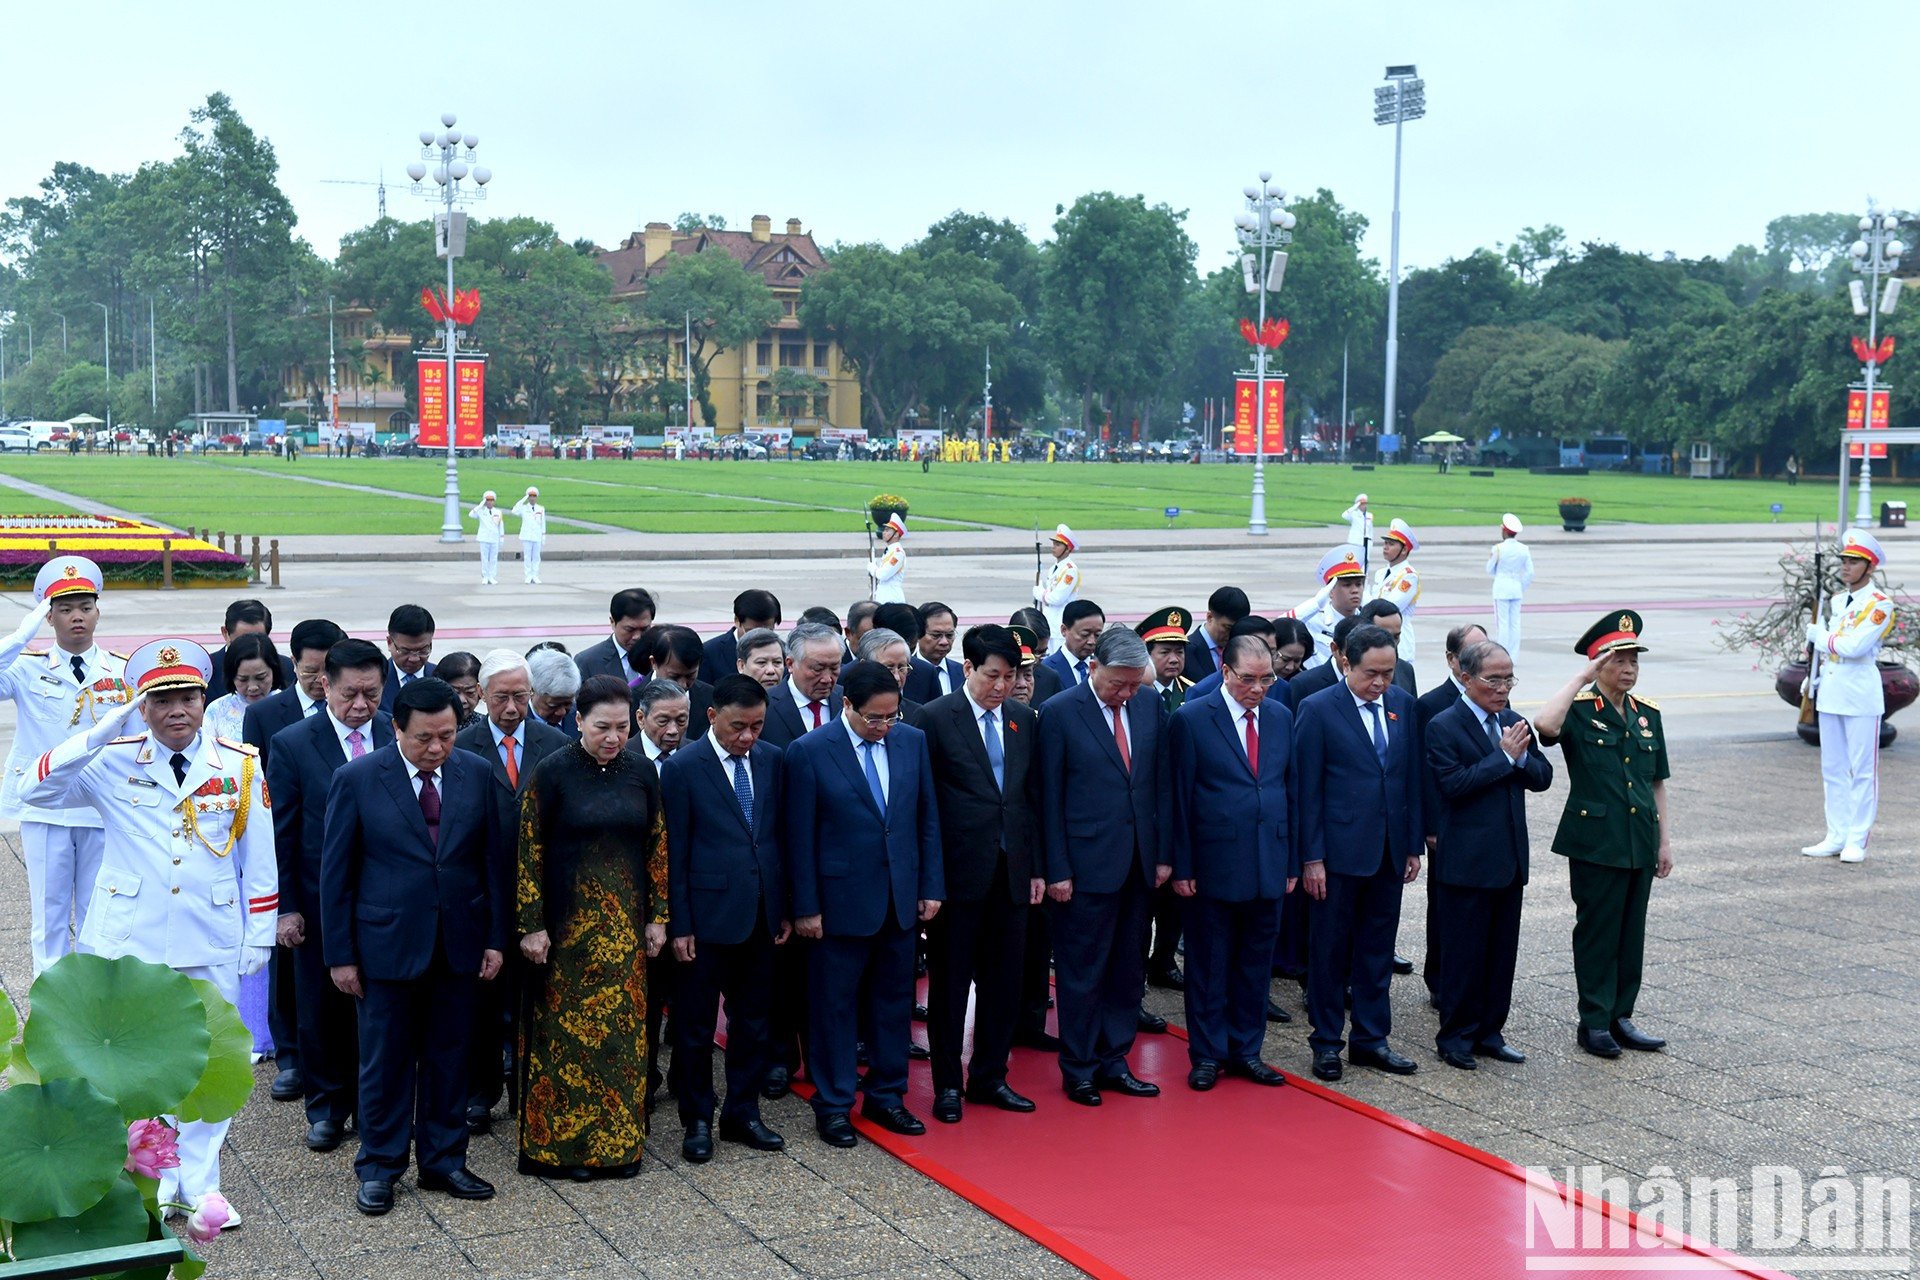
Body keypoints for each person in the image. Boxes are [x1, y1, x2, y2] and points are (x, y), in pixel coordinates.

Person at [25, 638, 275, 1227]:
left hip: (210, 932)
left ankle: (203, 1186)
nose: (176, 711)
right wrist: (97, 733)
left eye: (187, 697)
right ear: (142, 706)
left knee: (210, 1061)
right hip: (129, 938)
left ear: (205, 699)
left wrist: (260, 932)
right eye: (161, 700)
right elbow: (35, 789)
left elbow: (260, 855)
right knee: (135, 1063)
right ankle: (153, 1177)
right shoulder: (111, 759)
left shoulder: (239, 763)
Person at [321, 677, 506, 1214]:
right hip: (385, 943)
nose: (436, 748)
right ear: (396, 728)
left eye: (447, 736)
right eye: (424, 737)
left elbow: (492, 861)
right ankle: (379, 1166)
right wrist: (340, 956)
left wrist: (495, 939)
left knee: (451, 1056)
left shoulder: (476, 771)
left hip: (458, 940)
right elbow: (336, 875)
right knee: (385, 1062)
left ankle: (444, 1160)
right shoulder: (357, 778)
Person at [514, 676, 667, 1180]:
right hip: (564, 935)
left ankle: (619, 1148)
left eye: (622, 727)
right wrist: (531, 924)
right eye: (602, 726)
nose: (613, 737)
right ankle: (559, 1152)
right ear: (578, 721)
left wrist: (658, 917)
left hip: (624, 935)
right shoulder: (553, 771)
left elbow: (657, 845)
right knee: (564, 1045)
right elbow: (529, 849)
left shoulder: (641, 771)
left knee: (621, 1042)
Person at [785, 661, 944, 1146]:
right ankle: (834, 1104)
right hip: (839, 903)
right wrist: (806, 906)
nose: (884, 726)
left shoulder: (911, 741)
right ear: (847, 704)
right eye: (874, 717)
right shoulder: (810, 751)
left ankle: (886, 1096)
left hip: (899, 898)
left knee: (893, 1003)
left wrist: (930, 886)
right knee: (834, 1008)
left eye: (892, 716)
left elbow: (925, 820)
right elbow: (799, 837)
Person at [269, 638, 394, 1153]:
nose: (361, 706)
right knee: (320, 1007)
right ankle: (326, 1108)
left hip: (385, 898)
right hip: (319, 897)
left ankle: (373, 1107)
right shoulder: (294, 743)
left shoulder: (395, 732)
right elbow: (281, 833)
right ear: (325, 686)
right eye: (349, 694)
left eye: (371, 694)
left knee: (379, 1006)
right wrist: (286, 907)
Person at [1038, 626, 1169, 1106]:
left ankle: (1115, 1060)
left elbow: (1159, 784)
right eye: (1119, 683)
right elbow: (1048, 798)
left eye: (1135, 684)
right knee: (1082, 972)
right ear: (1093, 667)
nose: (1127, 693)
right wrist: (1056, 869)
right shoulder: (1059, 712)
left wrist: (1164, 855)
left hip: (1139, 861)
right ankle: (1079, 1068)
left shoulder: (1149, 703)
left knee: (1128, 969)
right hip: (1084, 865)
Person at [1534, 611, 1672, 1059]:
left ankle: (1620, 1016)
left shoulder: (1647, 715)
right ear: (1598, 664)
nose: (1629, 669)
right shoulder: (1578, 710)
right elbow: (1545, 726)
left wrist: (1664, 841)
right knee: (1598, 931)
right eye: (1619, 661)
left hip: (1639, 839)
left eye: (1634, 661)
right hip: (1596, 841)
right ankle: (1593, 1020)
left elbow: (1656, 783)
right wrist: (1582, 678)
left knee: (1631, 933)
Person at [663, 675, 790, 1162]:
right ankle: (697, 1118)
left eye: (757, 726)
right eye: (739, 727)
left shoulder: (773, 760)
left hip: (760, 914)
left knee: (753, 1023)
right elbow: (675, 852)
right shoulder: (683, 767)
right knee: (695, 1027)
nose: (748, 737)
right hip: (705, 919)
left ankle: (742, 1112)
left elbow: (778, 837)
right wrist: (680, 925)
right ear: (712, 716)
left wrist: (783, 906)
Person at [919, 625, 1043, 1123]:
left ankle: (990, 1076)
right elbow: (925, 805)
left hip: (1011, 872)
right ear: (967, 668)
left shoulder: (1023, 719)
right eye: (992, 675)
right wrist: (929, 880)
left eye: (1010, 677)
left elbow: (1029, 799)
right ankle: (948, 1084)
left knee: (1004, 982)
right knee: (950, 987)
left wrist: (1036, 868)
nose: (1002, 686)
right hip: (957, 874)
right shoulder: (933, 718)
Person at [1293, 623, 1425, 1082]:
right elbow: (1306, 790)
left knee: (1377, 950)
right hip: (1337, 855)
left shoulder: (1402, 705)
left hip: (1388, 851)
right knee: (1329, 953)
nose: (1381, 682)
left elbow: (1409, 779)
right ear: (1346, 663)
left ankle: (1371, 1039)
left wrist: (1411, 844)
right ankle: (1327, 1042)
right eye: (1372, 673)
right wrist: (1311, 857)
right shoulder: (1317, 709)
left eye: (1388, 673)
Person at [1169, 635, 1297, 1091]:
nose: (1258, 688)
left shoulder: (1280, 716)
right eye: (1248, 679)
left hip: (1269, 861)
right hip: (1213, 865)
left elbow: (1290, 790)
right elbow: (1178, 799)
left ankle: (1247, 1050)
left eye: (1267, 679)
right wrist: (1182, 866)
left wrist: (1292, 860)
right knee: (1209, 964)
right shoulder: (1192, 718)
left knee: (1255, 964)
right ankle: (1207, 1053)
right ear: (1225, 672)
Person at [454, 651, 569, 1134]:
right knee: (482, 1000)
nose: (511, 708)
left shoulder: (557, 744)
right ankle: (480, 1094)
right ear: (481, 695)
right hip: (484, 891)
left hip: (543, 893)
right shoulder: (461, 745)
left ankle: (531, 1090)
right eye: (500, 697)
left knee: (538, 996)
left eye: (521, 697)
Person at [1425, 640, 1551, 1070]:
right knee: (1464, 955)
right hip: (1467, 862)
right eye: (1493, 680)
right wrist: (1503, 758)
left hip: (1509, 860)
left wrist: (1520, 760)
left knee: (1501, 955)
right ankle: (1455, 1036)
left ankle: (1490, 1032)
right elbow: (1454, 785)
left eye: (1508, 679)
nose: (1502, 689)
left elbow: (1542, 776)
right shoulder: (1444, 725)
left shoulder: (1513, 721)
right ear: (1466, 678)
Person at [0, 557, 129, 975]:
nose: (77, 617)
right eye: (66, 609)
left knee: (98, 911)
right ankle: (51, 1003)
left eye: (86, 608)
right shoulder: (25, 667)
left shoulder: (121, 670)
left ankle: (94, 999)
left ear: (98, 613)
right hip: (45, 807)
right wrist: (20, 636)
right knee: (49, 915)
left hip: (100, 806)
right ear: (48, 616)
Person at [242, 616, 345, 1102]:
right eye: (311, 673)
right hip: (295, 856)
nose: (321, 682)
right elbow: (267, 803)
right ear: (294, 665)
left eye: (329, 672)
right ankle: (290, 1056)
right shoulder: (268, 715)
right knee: (291, 970)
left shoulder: (368, 710)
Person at [1803, 530, 1895, 863]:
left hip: (1859, 694)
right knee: (1833, 768)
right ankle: (1836, 834)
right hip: (1831, 689)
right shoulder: (1838, 601)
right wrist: (1813, 675)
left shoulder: (1880, 604)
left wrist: (1821, 636)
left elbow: (1855, 647)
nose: (1845, 566)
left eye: (1854, 562)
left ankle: (1857, 840)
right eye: (1843, 560)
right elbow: (1832, 649)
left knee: (1863, 771)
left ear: (1869, 567)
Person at [1136, 607, 1194, 998]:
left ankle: (1164, 961)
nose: (1173, 659)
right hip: (1146, 814)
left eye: (1179, 651)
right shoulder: (1136, 695)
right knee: (1143, 906)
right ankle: (1137, 972)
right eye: (1164, 651)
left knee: (1176, 902)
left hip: (1181, 811)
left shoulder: (1193, 693)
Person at [762, 622, 844, 747]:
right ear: (790, 664)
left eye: (834, 668)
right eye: (818, 669)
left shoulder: (849, 701)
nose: (827, 679)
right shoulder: (765, 707)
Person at [206, 599, 293, 700]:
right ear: (225, 633)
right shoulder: (206, 670)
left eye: (257, 639)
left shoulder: (288, 668)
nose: (249, 647)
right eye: (241, 641)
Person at [1295, 546, 1366, 669]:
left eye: (1358, 584)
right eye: (1347, 585)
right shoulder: (1314, 621)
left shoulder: (1368, 621)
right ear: (1330, 591)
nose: (1355, 590)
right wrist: (1315, 604)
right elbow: (1281, 627)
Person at [1369, 519, 1422, 665]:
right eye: (1385, 543)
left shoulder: (1408, 576)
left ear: (1404, 550)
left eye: (1391, 544)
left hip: (1399, 640)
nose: (1385, 547)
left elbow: (1390, 607)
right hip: (1376, 635)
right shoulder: (1381, 573)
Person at [575, 589, 656, 684]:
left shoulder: (661, 656)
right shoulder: (587, 662)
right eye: (630, 629)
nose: (637, 637)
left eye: (644, 629)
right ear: (612, 622)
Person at [700, 590, 782, 685]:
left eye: (768, 631)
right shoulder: (709, 653)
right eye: (751, 632)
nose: (759, 637)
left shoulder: (784, 651)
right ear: (737, 621)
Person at [1487, 514, 1533, 656]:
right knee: (1515, 624)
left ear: (1505, 531)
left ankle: (1501, 655)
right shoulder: (1524, 549)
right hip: (1516, 588)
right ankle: (1513, 656)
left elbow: (1489, 569)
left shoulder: (1498, 548)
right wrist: (1522, 586)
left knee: (1502, 624)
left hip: (1501, 587)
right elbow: (1530, 573)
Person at [379, 604, 437, 713]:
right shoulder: (376, 680)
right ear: (390, 642)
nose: (414, 659)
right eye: (405, 651)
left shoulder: (441, 677)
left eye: (422, 651)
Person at [1041, 600, 1105, 696]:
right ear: (1064, 630)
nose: (1092, 641)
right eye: (1084, 634)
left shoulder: (1103, 668)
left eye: (1097, 635)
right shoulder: (1046, 670)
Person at [1185, 586, 1250, 680]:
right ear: (1210, 617)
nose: (1233, 634)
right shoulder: (1186, 651)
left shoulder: (1243, 649)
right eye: (1228, 628)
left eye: (1238, 628)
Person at [1034, 525, 1082, 651]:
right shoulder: (1055, 568)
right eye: (1053, 544)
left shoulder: (1070, 570)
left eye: (1058, 545)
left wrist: (1040, 594)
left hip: (1060, 622)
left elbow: (1057, 598)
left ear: (1067, 549)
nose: (1053, 547)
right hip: (1050, 621)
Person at [905, 601, 963, 703]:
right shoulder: (905, 673)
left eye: (949, 635)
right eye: (936, 635)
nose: (944, 642)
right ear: (918, 634)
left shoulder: (963, 673)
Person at [527, 646, 582, 738]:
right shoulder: (515, 722)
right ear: (532, 690)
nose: (561, 712)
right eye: (553, 705)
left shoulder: (583, 718)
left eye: (568, 704)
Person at [634, 680, 692, 763]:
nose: (673, 731)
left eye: (681, 721)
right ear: (641, 718)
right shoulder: (619, 756)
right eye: (663, 721)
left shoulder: (697, 755)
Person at [433, 652, 484, 726]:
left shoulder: (486, 727)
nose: (461, 700)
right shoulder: (425, 723)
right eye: (454, 692)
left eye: (470, 692)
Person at [870, 513, 909, 604]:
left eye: (887, 530)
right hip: (883, 596)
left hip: (892, 598)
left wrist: (873, 569)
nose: (884, 532)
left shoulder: (897, 553)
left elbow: (883, 575)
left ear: (896, 534)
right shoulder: (890, 551)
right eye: (884, 530)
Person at [512, 486, 547, 583]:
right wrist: (523, 499)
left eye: (534, 496)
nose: (532, 498)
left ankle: (535, 575)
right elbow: (514, 511)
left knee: (536, 557)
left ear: (537, 497)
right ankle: (528, 576)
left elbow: (543, 523)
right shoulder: (523, 508)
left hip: (537, 535)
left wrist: (543, 536)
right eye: (530, 496)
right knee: (527, 557)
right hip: (526, 535)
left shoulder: (541, 508)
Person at [469, 490, 505, 584]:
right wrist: (480, 505)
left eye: (491, 500)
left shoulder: (498, 512)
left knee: (493, 558)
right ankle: (485, 576)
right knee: (484, 558)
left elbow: (500, 526)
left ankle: (492, 576)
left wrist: (501, 538)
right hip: (484, 537)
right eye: (488, 500)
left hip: (494, 537)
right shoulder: (481, 511)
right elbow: (471, 514)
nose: (490, 502)